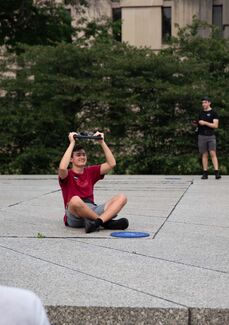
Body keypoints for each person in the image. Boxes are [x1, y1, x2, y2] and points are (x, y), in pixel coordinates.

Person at [58, 131, 129, 233]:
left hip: (92, 210)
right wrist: (72, 143)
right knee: (75, 200)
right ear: (71, 159)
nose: (82, 157)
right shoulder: (67, 174)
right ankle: (105, 223)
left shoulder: (91, 171)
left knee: (122, 197)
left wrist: (101, 142)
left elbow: (112, 164)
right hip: (75, 215)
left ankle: (96, 223)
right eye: (78, 155)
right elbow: (62, 167)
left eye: (84, 155)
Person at [197, 96, 221, 179]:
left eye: (205, 102)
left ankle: (216, 172)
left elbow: (215, 125)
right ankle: (205, 173)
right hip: (201, 135)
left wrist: (204, 122)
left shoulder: (214, 113)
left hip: (211, 136)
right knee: (204, 154)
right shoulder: (200, 113)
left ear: (209, 103)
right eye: (202, 103)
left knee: (213, 153)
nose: (203, 104)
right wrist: (197, 123)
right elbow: (199, 123)